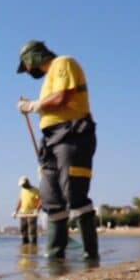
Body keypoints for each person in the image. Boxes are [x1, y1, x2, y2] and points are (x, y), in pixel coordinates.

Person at [16, 40, 99, 259]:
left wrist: (33, 105)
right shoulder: (47, 80)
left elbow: (62, 97)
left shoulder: (64, 63)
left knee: (74, 192)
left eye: (26, 65)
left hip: (72, 134)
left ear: (33, 57)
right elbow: (51, 102)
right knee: (50, 195)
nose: (27, 71)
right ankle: (55, 258)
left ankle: (91, 256)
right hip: (50, 140)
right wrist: (35, 106)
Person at [11, 175, 41, 245]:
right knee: (23, 229)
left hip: (32, 213)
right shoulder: (22, 190)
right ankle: (24, 245)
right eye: (22, 185)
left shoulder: (35, 190)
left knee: (32, 229)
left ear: (27, 182)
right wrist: (15, 211)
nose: (23, 186)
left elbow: (41, 200)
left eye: (24, 184)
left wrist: (37, 209)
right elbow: (20, 201)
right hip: (23, 213)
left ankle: (34, 245)